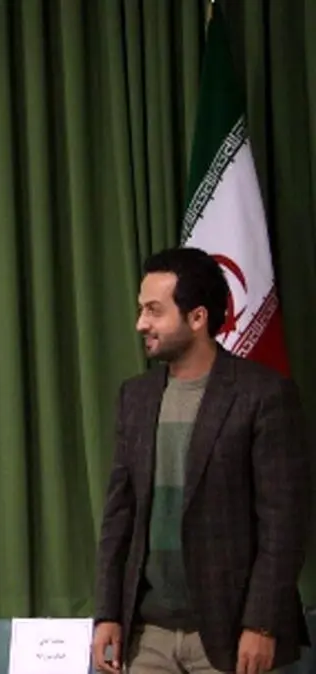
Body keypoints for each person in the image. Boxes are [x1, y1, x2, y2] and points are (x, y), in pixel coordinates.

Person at [91, 247, 310, 674]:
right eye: (141, 309)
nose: (141, 323)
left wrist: (261, 624)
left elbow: (284, 524)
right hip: (146, 636)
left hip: (232, 638)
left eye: (154, 310)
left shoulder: (264, 395)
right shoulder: (135, 397)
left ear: (197, 317)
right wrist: (108, 613)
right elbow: (119, 516)